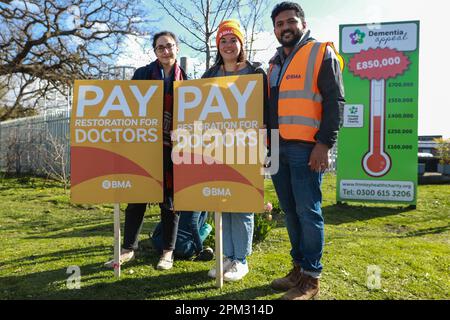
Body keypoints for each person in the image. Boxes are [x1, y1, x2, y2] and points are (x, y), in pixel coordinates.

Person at [267, 2, 345, 300]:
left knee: (308, 212)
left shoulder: (320, 52)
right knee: (290, 212)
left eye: (290, 21)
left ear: (302, 22)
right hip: (278, 148)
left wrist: (324, 143)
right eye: (279, 24)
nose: (285, 27)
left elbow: (335, 101)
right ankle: (298, 269)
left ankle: (311, 279)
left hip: (307, 148)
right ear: (274, 29)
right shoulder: (274, 63)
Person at [104, 31, 198, 271]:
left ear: (177, 47)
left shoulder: (187, 81)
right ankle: (127, 249)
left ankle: (167, 252)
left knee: (170, 202)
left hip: (174, 148)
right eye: (160, 47)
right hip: (145, 145)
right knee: (137, 198)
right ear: (154, 51)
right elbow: (130, 108)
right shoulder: (142, 74)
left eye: (169, 46)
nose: (165, 51)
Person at [201, 20, 269, 282]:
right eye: (223, 41)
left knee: (242, 202)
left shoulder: (255, 72)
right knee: (223, 200)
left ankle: (241, 259)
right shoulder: (210, 75)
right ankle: (226, 256)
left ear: (241, 44)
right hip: (217, 147)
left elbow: (265, 110)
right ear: (218, 45)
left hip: (248, 146)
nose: (228, 45)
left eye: (233, 40)